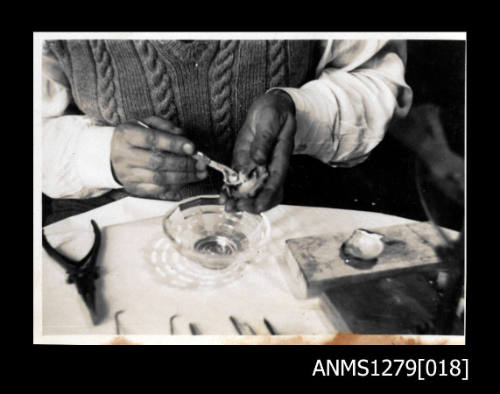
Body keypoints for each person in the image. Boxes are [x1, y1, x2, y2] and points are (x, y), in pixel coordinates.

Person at [42, 39, 412, 222]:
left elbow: (376, 77)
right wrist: (100, 155)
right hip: (108, 230)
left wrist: (299, 112)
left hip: (282, 220)